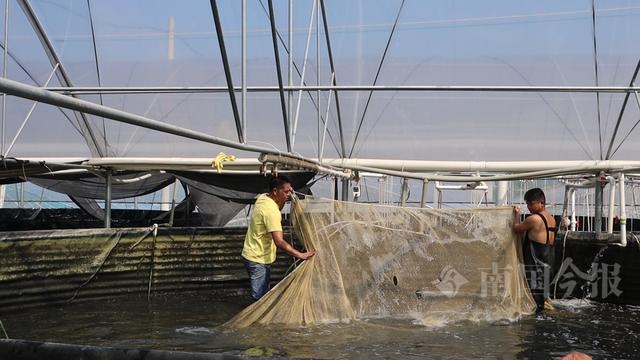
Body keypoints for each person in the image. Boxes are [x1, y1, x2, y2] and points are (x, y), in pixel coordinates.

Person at [241, 175, 316, 301]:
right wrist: (300, 255)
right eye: (286, 192)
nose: (288, 195)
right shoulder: (271, 211)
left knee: (263, 292)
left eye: (290, 191)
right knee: (259, 299)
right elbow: (279, 242)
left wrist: (286, 194)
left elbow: (277, 207)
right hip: (258, 259)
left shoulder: (263, 198)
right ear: (275, 191)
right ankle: (255, 319)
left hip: (251, 254)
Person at [512, 188, 556, 312]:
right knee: (542, 298)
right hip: (548, 265)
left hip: (536, 266)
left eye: (531, 203)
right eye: (527, 204)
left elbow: (516, 228)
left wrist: (517, 215)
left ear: (541, 202)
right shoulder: (551, 219)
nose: (529, 207)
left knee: (536, 303)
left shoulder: (534, 219)